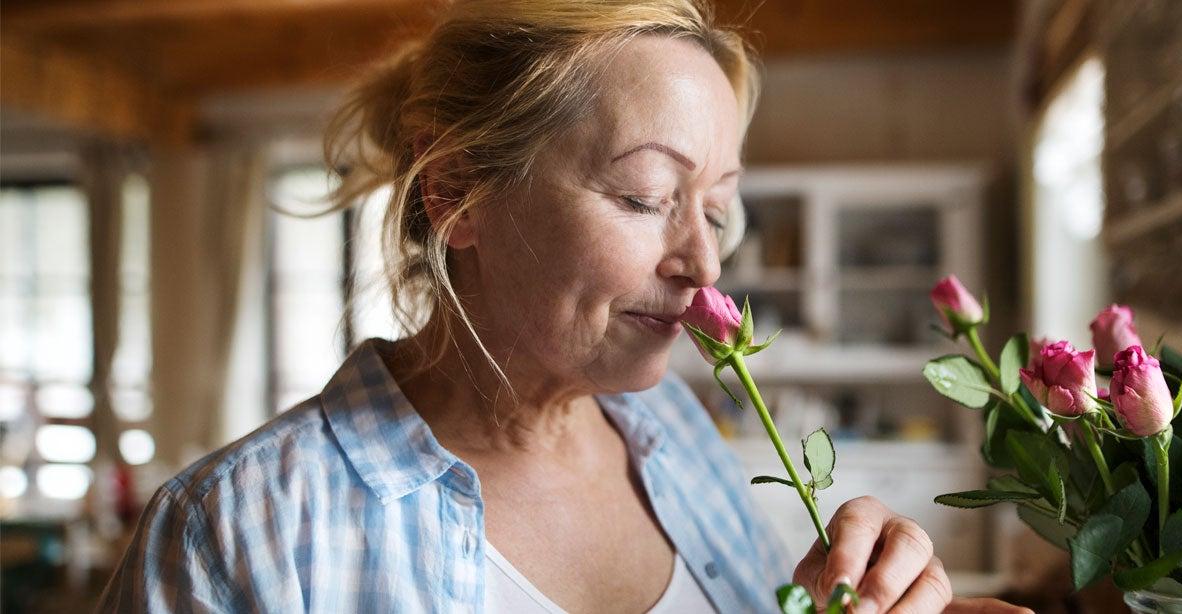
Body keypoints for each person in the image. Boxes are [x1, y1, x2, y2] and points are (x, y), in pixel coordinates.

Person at [99, 1, 1028, 612]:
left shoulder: (675, 435)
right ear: (457, 191)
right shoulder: (237, 536)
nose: (704, 261)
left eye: (715, 207)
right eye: (642, 196)